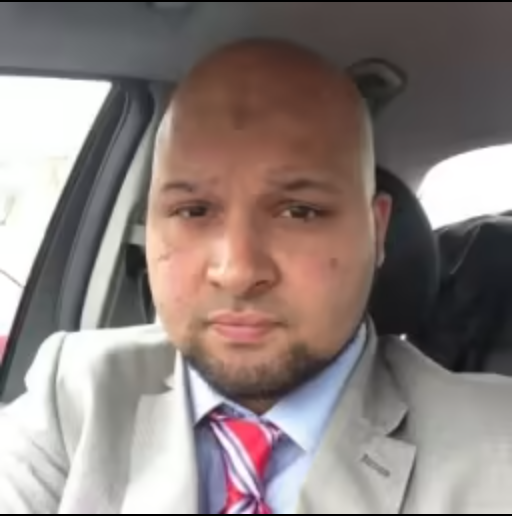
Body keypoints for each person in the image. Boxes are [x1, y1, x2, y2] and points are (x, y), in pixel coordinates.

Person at [1, 39, 512, 515]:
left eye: (300, 212)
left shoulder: (494, 446)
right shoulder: (73, 399)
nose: (238, 272)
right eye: (193, 210)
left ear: (377, 233)